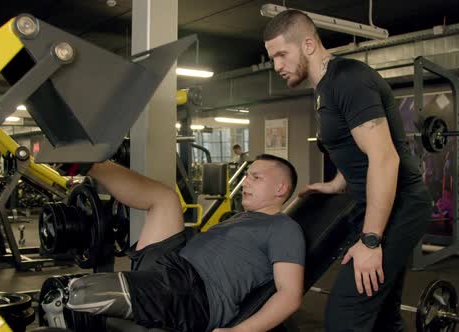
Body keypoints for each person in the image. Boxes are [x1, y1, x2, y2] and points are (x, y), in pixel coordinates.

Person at [263, 10, 432, 332]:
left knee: (345, 315)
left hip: (402, 204)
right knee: (382, 314)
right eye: (273, 58)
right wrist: (336, 183)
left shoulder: (348, 80)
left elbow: (385, 159)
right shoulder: (324, 89)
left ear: (309, 45)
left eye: (282, 54)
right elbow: (355, 147)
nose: (277, 66)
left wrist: (370, 242)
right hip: (374, 204)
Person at [65, 154, 305, 332]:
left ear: (280, 188)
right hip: (172, 265)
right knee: (165, 198)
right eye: (246, 176)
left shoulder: (283, 227)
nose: (245, 182)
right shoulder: (240, 217)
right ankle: (84, 163)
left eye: (256, 177)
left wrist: (239, 331)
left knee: (78, 293)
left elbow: (289, 295)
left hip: (194, 292)